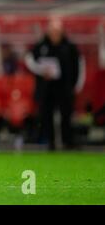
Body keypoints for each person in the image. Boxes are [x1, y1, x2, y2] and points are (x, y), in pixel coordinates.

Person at [25, 17, 84, 150]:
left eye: (57, 31)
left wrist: (77, 85)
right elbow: (29, 60)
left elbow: (79, 65)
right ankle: (51, 143)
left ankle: (68, 142)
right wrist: (41, 70)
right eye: (52, 30)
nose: (54, 34)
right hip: (47, 88)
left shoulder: (70, 47)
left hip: (65, 87)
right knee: (47, 116)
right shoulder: (41, 45)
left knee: (66, 115)